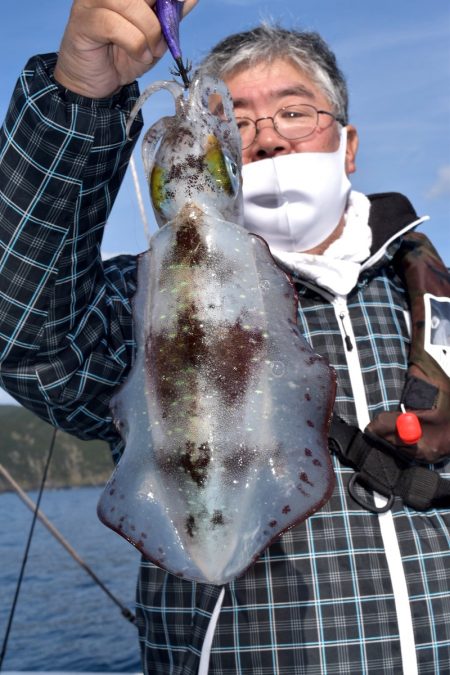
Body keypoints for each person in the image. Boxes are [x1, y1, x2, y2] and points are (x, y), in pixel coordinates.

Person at [1, 1, 449, 673]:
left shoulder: (429, 299)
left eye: (294, 112)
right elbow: (27, 332)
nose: (265, 137)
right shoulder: (150, 300)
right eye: (236, 124)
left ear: (348, 145)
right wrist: (80, 99)